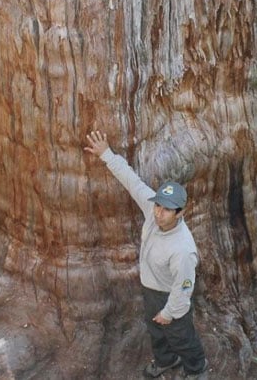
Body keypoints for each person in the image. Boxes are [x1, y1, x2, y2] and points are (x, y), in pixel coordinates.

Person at [84, 130, 209, 378]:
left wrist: (169, 312)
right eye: (159, 205)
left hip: (172, 298)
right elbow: (132, 181)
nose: (159, 212)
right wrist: (106, 154)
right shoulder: (153, 210)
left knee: (181, 336)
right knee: (156, 332)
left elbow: (183, 289)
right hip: (151, 289)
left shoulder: (183, 249)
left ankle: (197, 369)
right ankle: (166, 360)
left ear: (181, 212)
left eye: (167, 210)